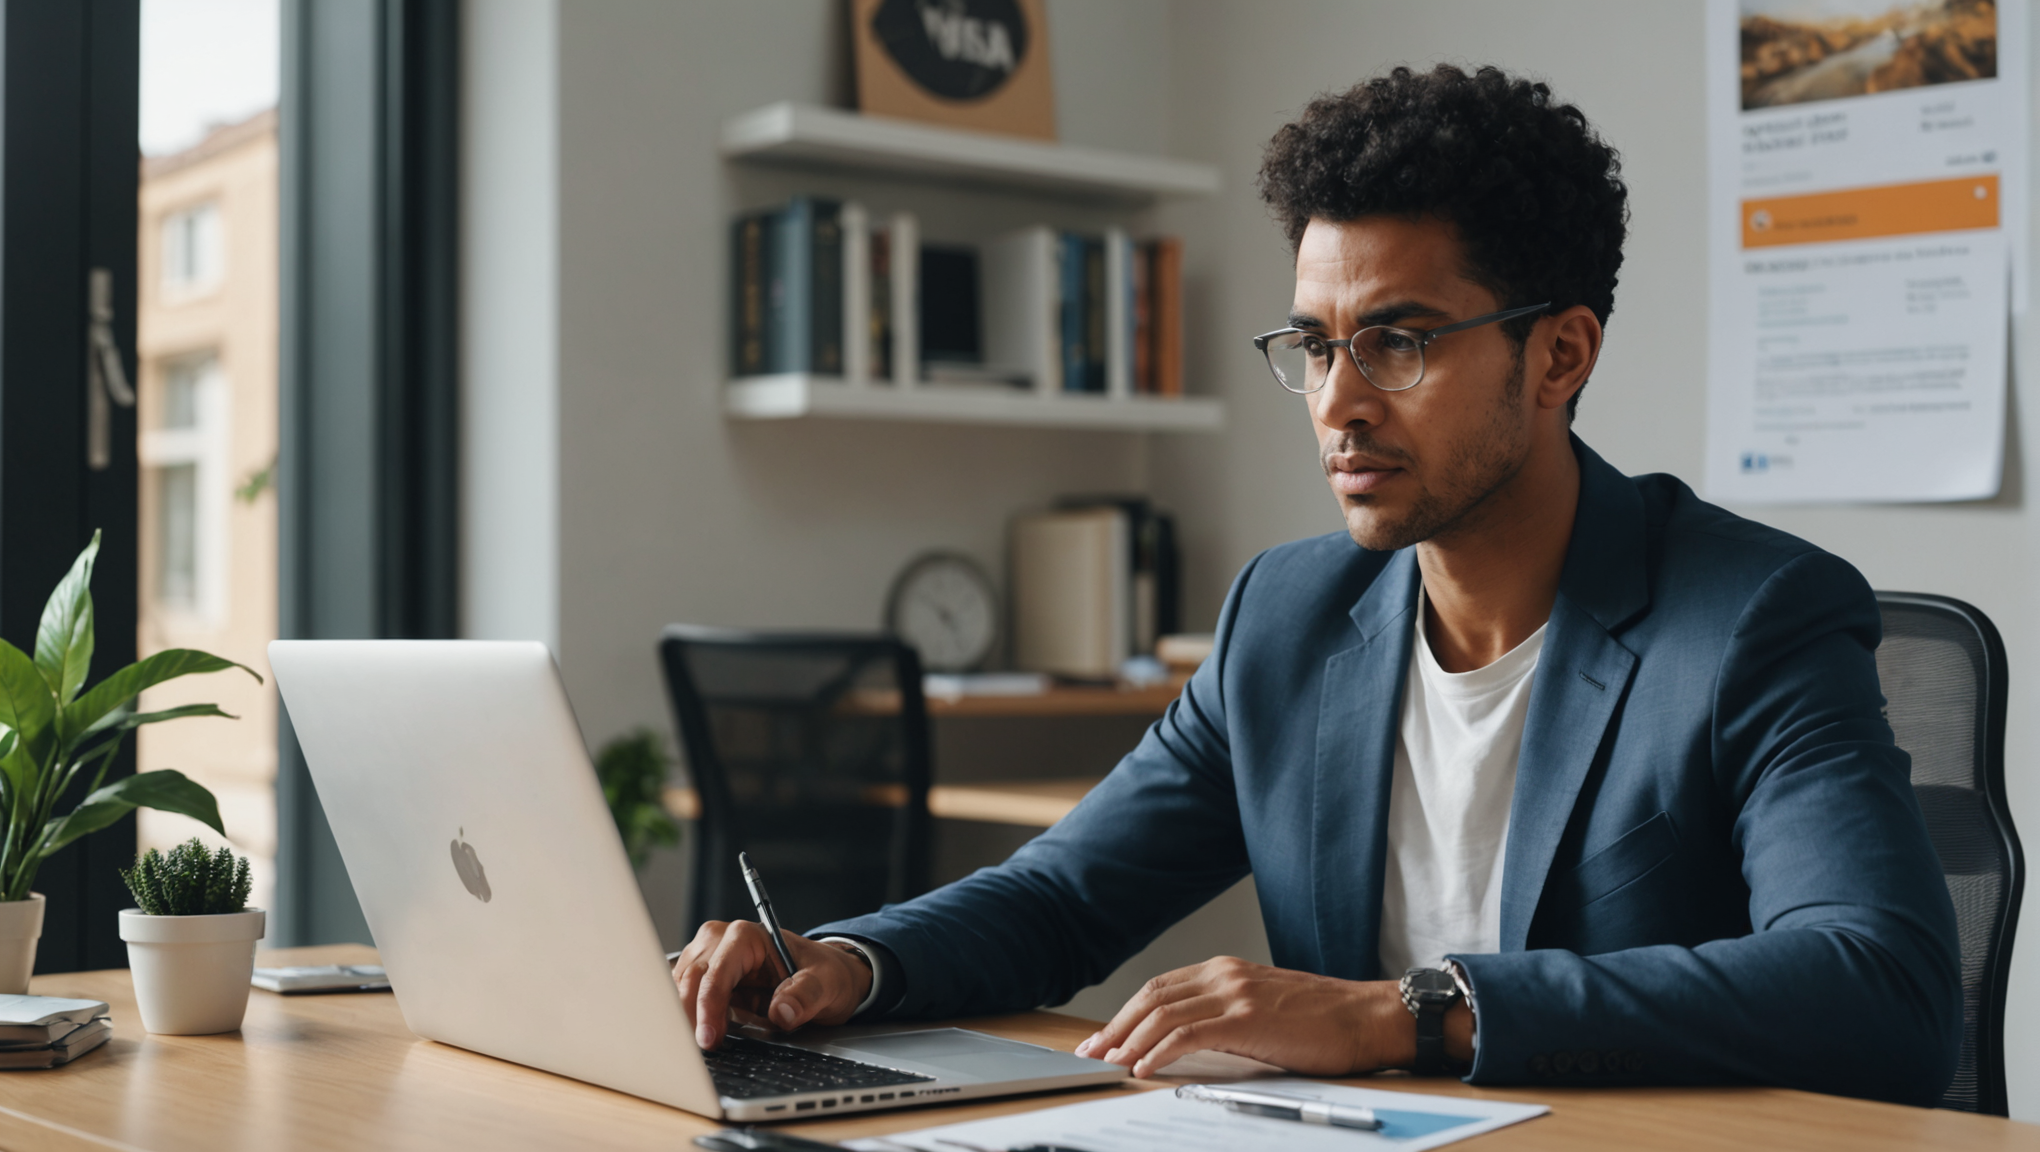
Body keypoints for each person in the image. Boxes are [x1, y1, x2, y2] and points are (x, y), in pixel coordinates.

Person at [672, 64, 1961, 1105]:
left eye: (1397, 342)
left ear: (1559, 355)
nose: (1337, 403)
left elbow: (1879, 991)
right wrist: (845, 960)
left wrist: (1408, 1014)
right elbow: (1067, 896)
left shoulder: (1753, 619)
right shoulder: (1288, 617)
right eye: (1313, 343)